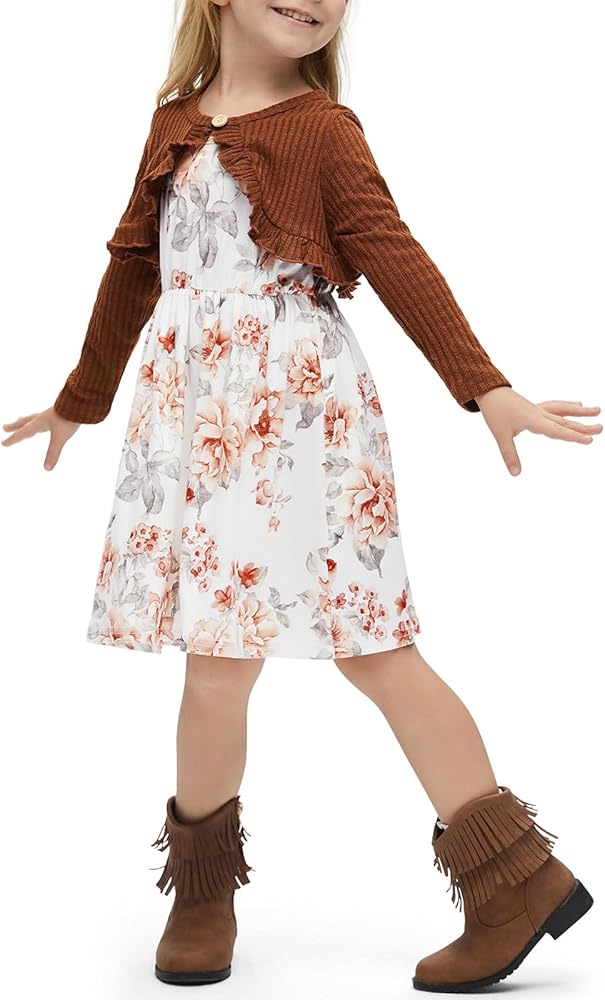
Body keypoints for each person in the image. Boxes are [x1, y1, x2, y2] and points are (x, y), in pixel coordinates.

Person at [2, 0, 599, 991]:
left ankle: (515, 880)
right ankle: (201, 894)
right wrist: (81, 398)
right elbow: (134, 268)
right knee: (215, 661)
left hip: (304, 419)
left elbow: (391, 250)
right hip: (196, 419)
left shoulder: (322, 129)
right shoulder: (173, 122)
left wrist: (483, 386)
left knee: (374, 646)